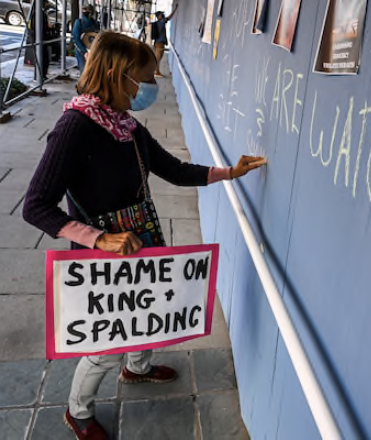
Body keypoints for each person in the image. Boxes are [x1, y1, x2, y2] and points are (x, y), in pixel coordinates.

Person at [22, 31, 266, 440]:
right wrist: (99, 238)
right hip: (102, 258)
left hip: (143, 238)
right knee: (103, 345)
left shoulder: (127, 125)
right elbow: (35, 205)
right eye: (146, 76)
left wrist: (229, 172)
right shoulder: (74, 128)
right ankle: (78, 412)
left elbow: (173, 169)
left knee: (147, 315)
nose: (152, 85)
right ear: (119, 75)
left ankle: (137, 367)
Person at [151, 3, 178, 77]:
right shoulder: (162, 22)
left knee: (157, 59)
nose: (163, 15)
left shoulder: (157, 23)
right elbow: (169, 17)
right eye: (161, 14)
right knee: (158, 59)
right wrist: (175, 9)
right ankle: (156, 72)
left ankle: (157, 71)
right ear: (159, 16)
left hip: (157, 43)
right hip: (160, 43)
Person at [72, 4, 100, 73]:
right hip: (82, 52)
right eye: (85, 10)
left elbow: (97, 37)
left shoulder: (95, 23)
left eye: (89, 11)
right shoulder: (79, 22)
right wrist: (84, 52)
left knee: (92, 72)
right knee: (84, 71)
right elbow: (76, 39)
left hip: (92, 51)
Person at [28, 0, 52, 80]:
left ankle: (42, 75)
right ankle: (39, 75)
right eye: (46, 3)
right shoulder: (38, 13)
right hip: (39, 39)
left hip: (41, 38)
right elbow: (37, 27)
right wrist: (48, 28)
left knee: (43, 57)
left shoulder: (40, 12)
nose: (48, 4)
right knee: (41, 58)